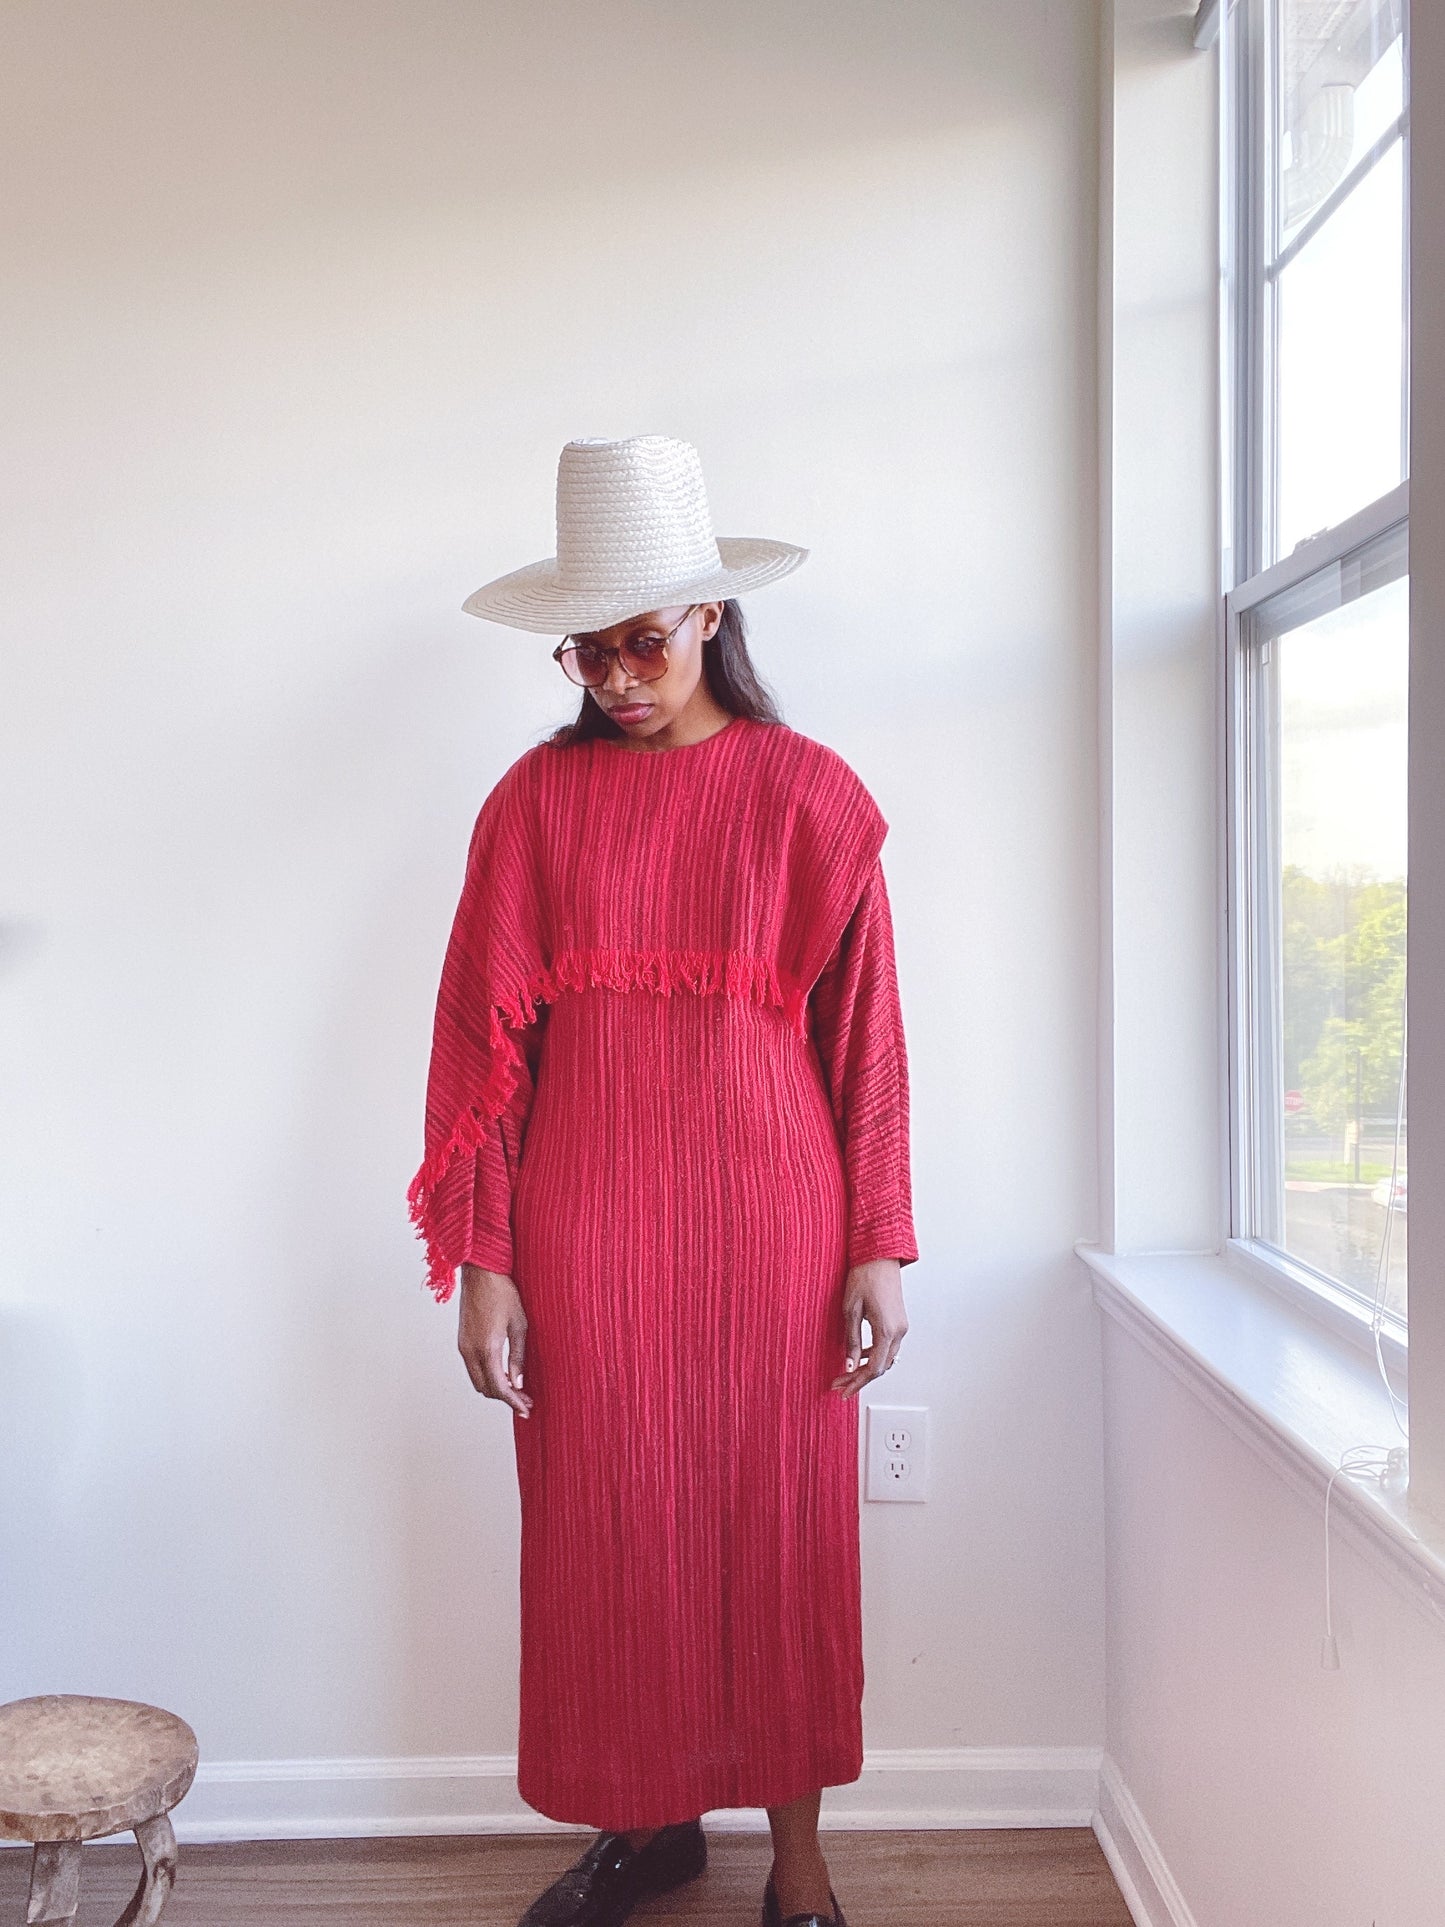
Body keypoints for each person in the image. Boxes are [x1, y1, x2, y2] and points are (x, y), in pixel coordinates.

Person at [409, 436, 919, 1927]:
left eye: (643, 641)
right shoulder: (531, 809)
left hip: (776, 1218)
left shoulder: (808, 796)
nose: (616, 678)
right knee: (610, 1521)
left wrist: (878, 1240)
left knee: (777, 1525)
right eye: (586, 651)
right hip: (586, 1222)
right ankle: (647, 1825)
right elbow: (480, 1062)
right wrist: (484, 1262)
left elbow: (866, 1042)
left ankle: (800, 1860)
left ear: (708, 619)